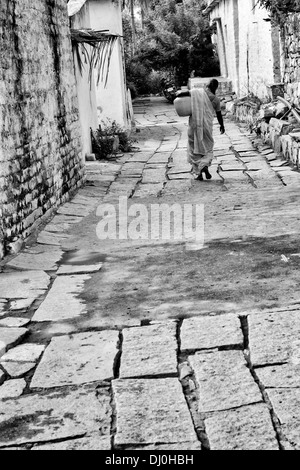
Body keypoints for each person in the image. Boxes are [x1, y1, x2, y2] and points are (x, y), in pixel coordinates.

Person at [187, 79, 225, 180]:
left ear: (206, 86)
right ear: (216, 88)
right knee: (207, 147)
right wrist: (222, 126)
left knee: (194, 147)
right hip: (207, 126)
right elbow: (219, 115)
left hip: (195, 124)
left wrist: (178, 92)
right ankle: (205, 168)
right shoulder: (216, 99)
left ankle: (199, 173)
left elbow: (185, 93)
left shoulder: (197, 93)